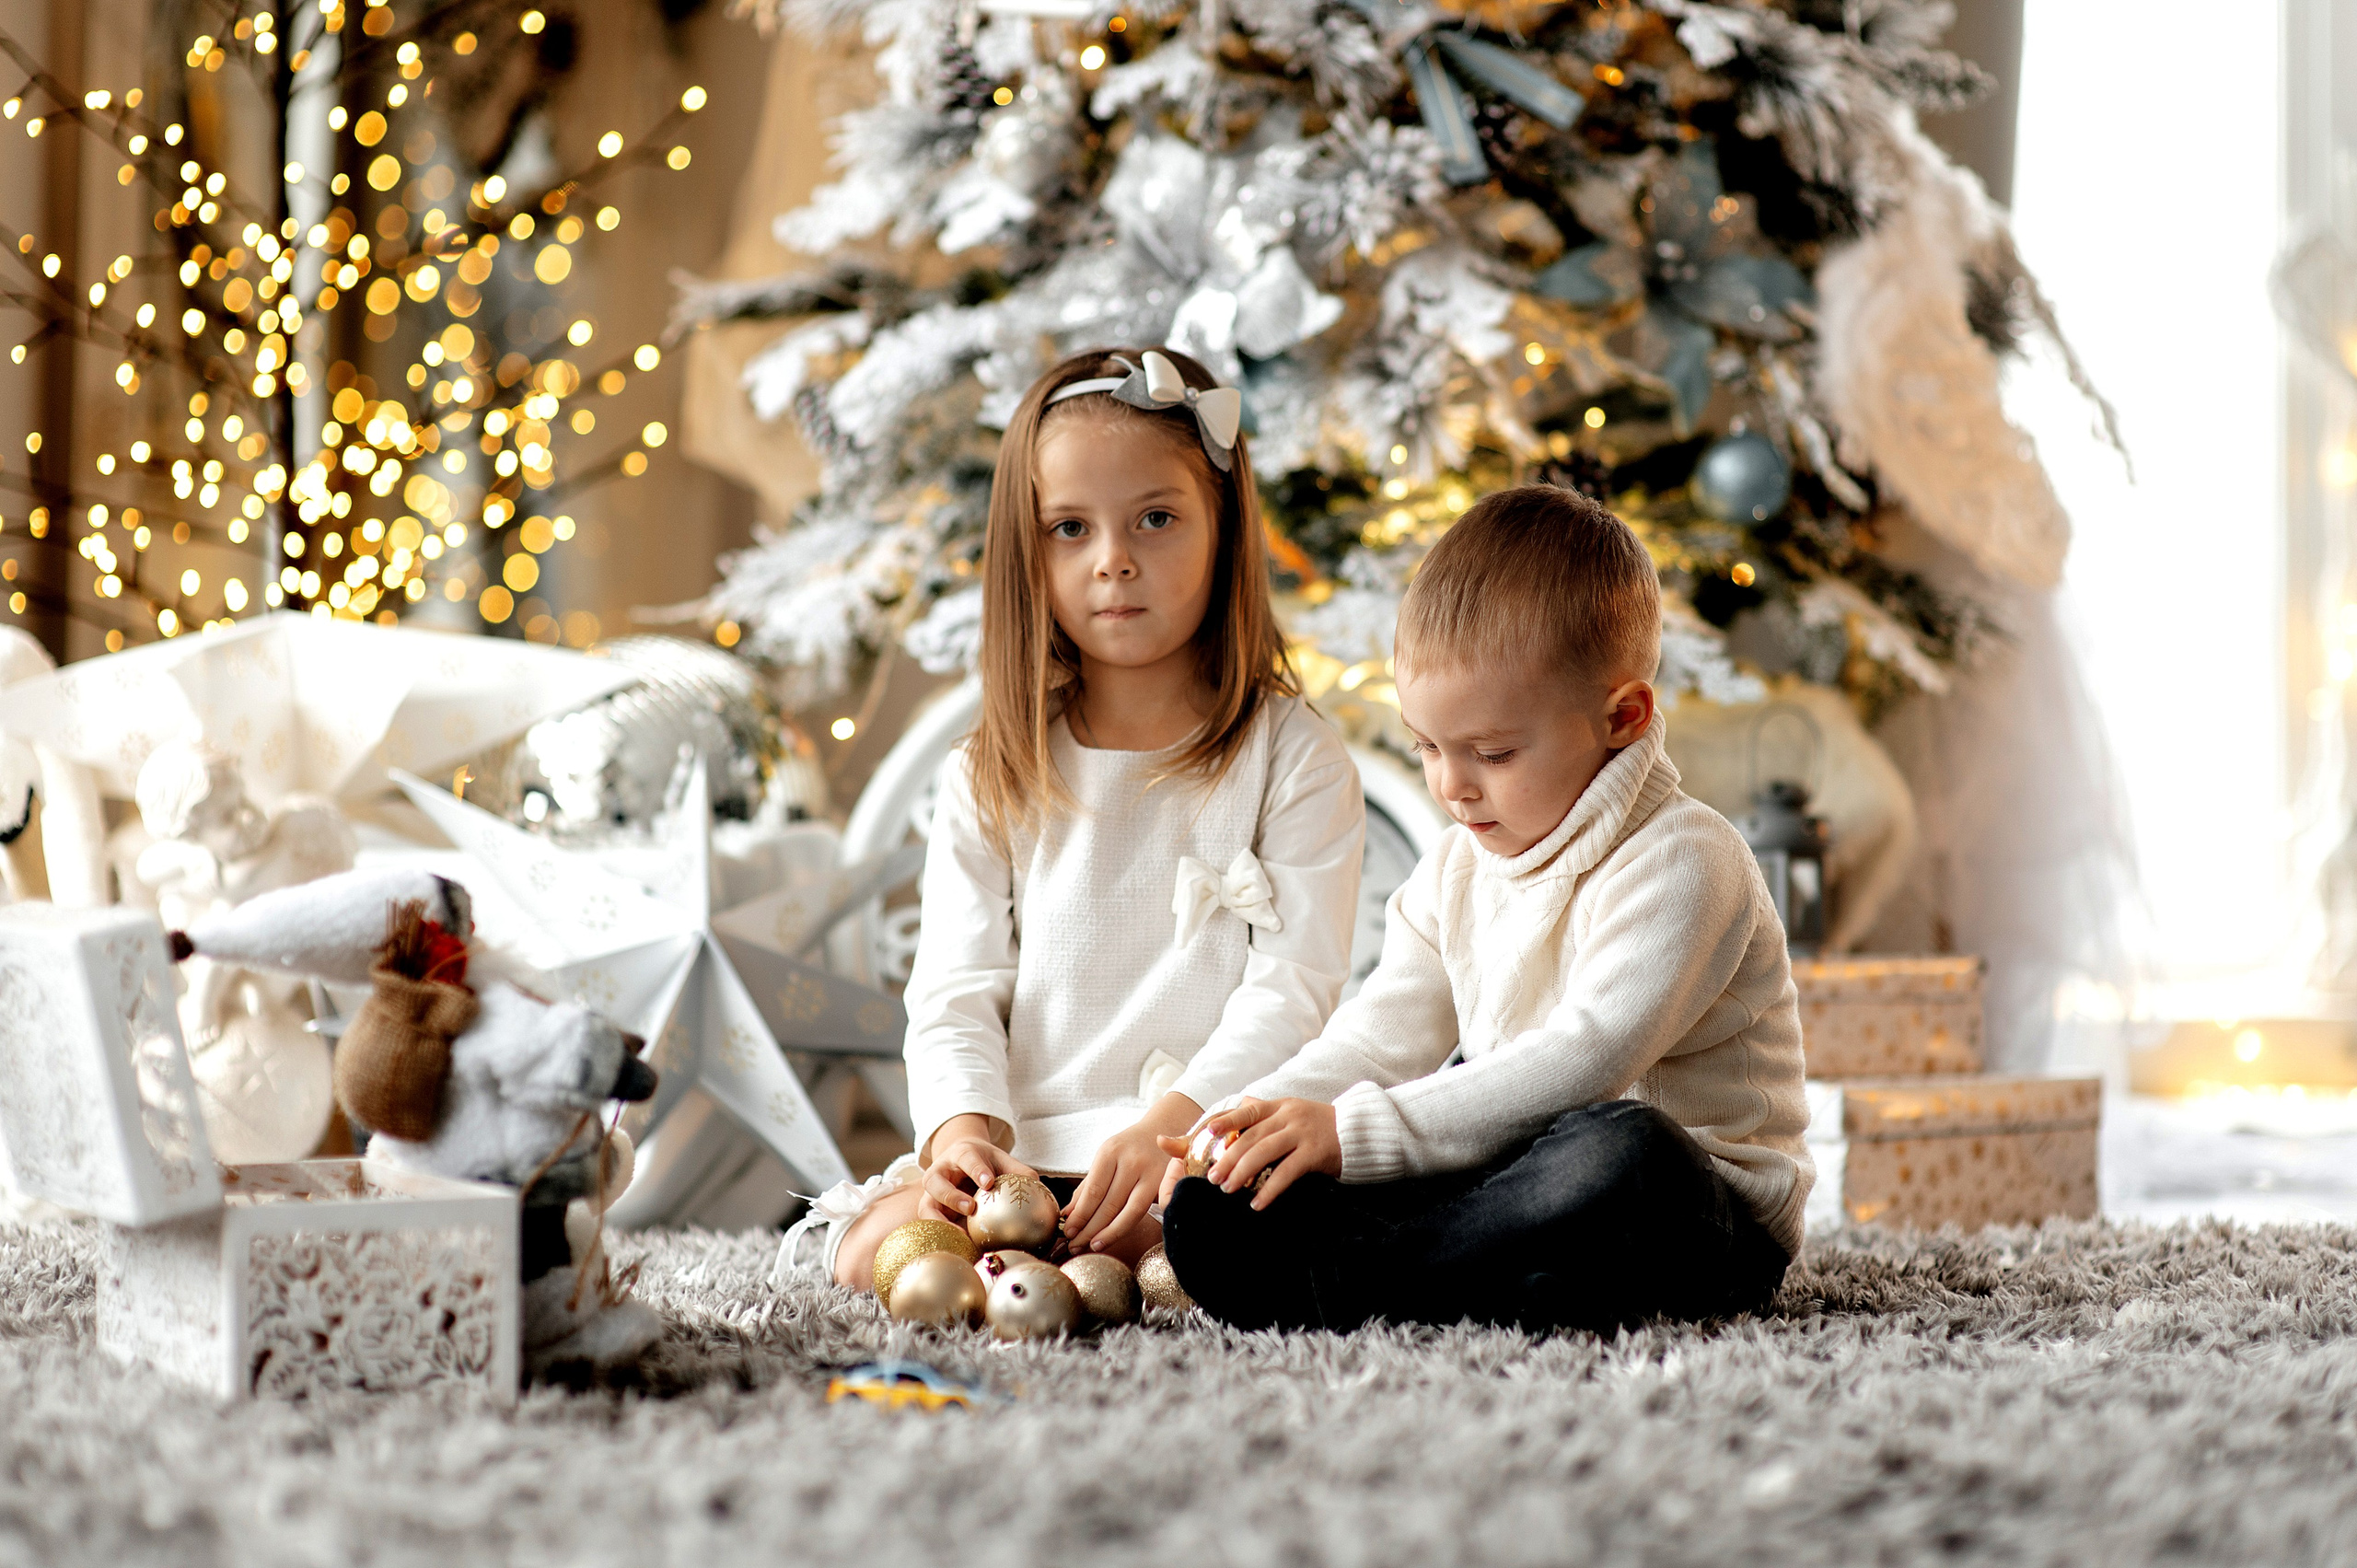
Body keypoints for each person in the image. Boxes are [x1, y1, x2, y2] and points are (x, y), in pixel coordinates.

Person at [1156, 483, 1811, 1333]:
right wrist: (1251, 1121)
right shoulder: (1455, 869)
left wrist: (1350, 1136)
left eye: (1493, 753)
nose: (1452, 787)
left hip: (1698, 1211)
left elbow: (1587, 1060)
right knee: (1231, 1195)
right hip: (1519, 1175)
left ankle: (1374, 1278)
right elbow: (1381, 1038)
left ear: (1622, 717)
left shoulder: (1687, 860)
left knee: (1623, 1148)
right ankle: (1489, 1281)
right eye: (1427, 746)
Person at [777, 347, 1365, 1290]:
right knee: (863, 1250)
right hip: (1025, 1159)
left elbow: (1293, 990)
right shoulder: (991, 768)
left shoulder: (1292, 756)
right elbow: (955, 989)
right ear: (1028, 548)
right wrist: (964, 1134)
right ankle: (1036, 1259)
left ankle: (1114, 1263)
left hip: (1192, 1147)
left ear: (1223, 528)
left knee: (1241, 1237)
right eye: (1069, 529)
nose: (1114, 559)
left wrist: (1172, 1121)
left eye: (1157, 518)